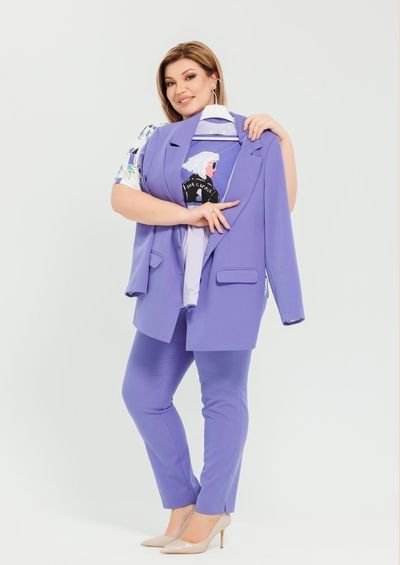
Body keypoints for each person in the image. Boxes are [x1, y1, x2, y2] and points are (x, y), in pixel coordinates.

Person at [111, 40, 303, 554]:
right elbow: (122, 197)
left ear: (214, 78)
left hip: (231, 286)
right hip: (166, 287)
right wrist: (188, 214)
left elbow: (280, 209)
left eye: (190, 77)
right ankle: (182, 503)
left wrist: (284, 140)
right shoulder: (153, 138)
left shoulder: (254, 139)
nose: (180, 89)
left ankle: (213, 510)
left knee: (221, 398)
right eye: (171, 82)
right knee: (142, 393)